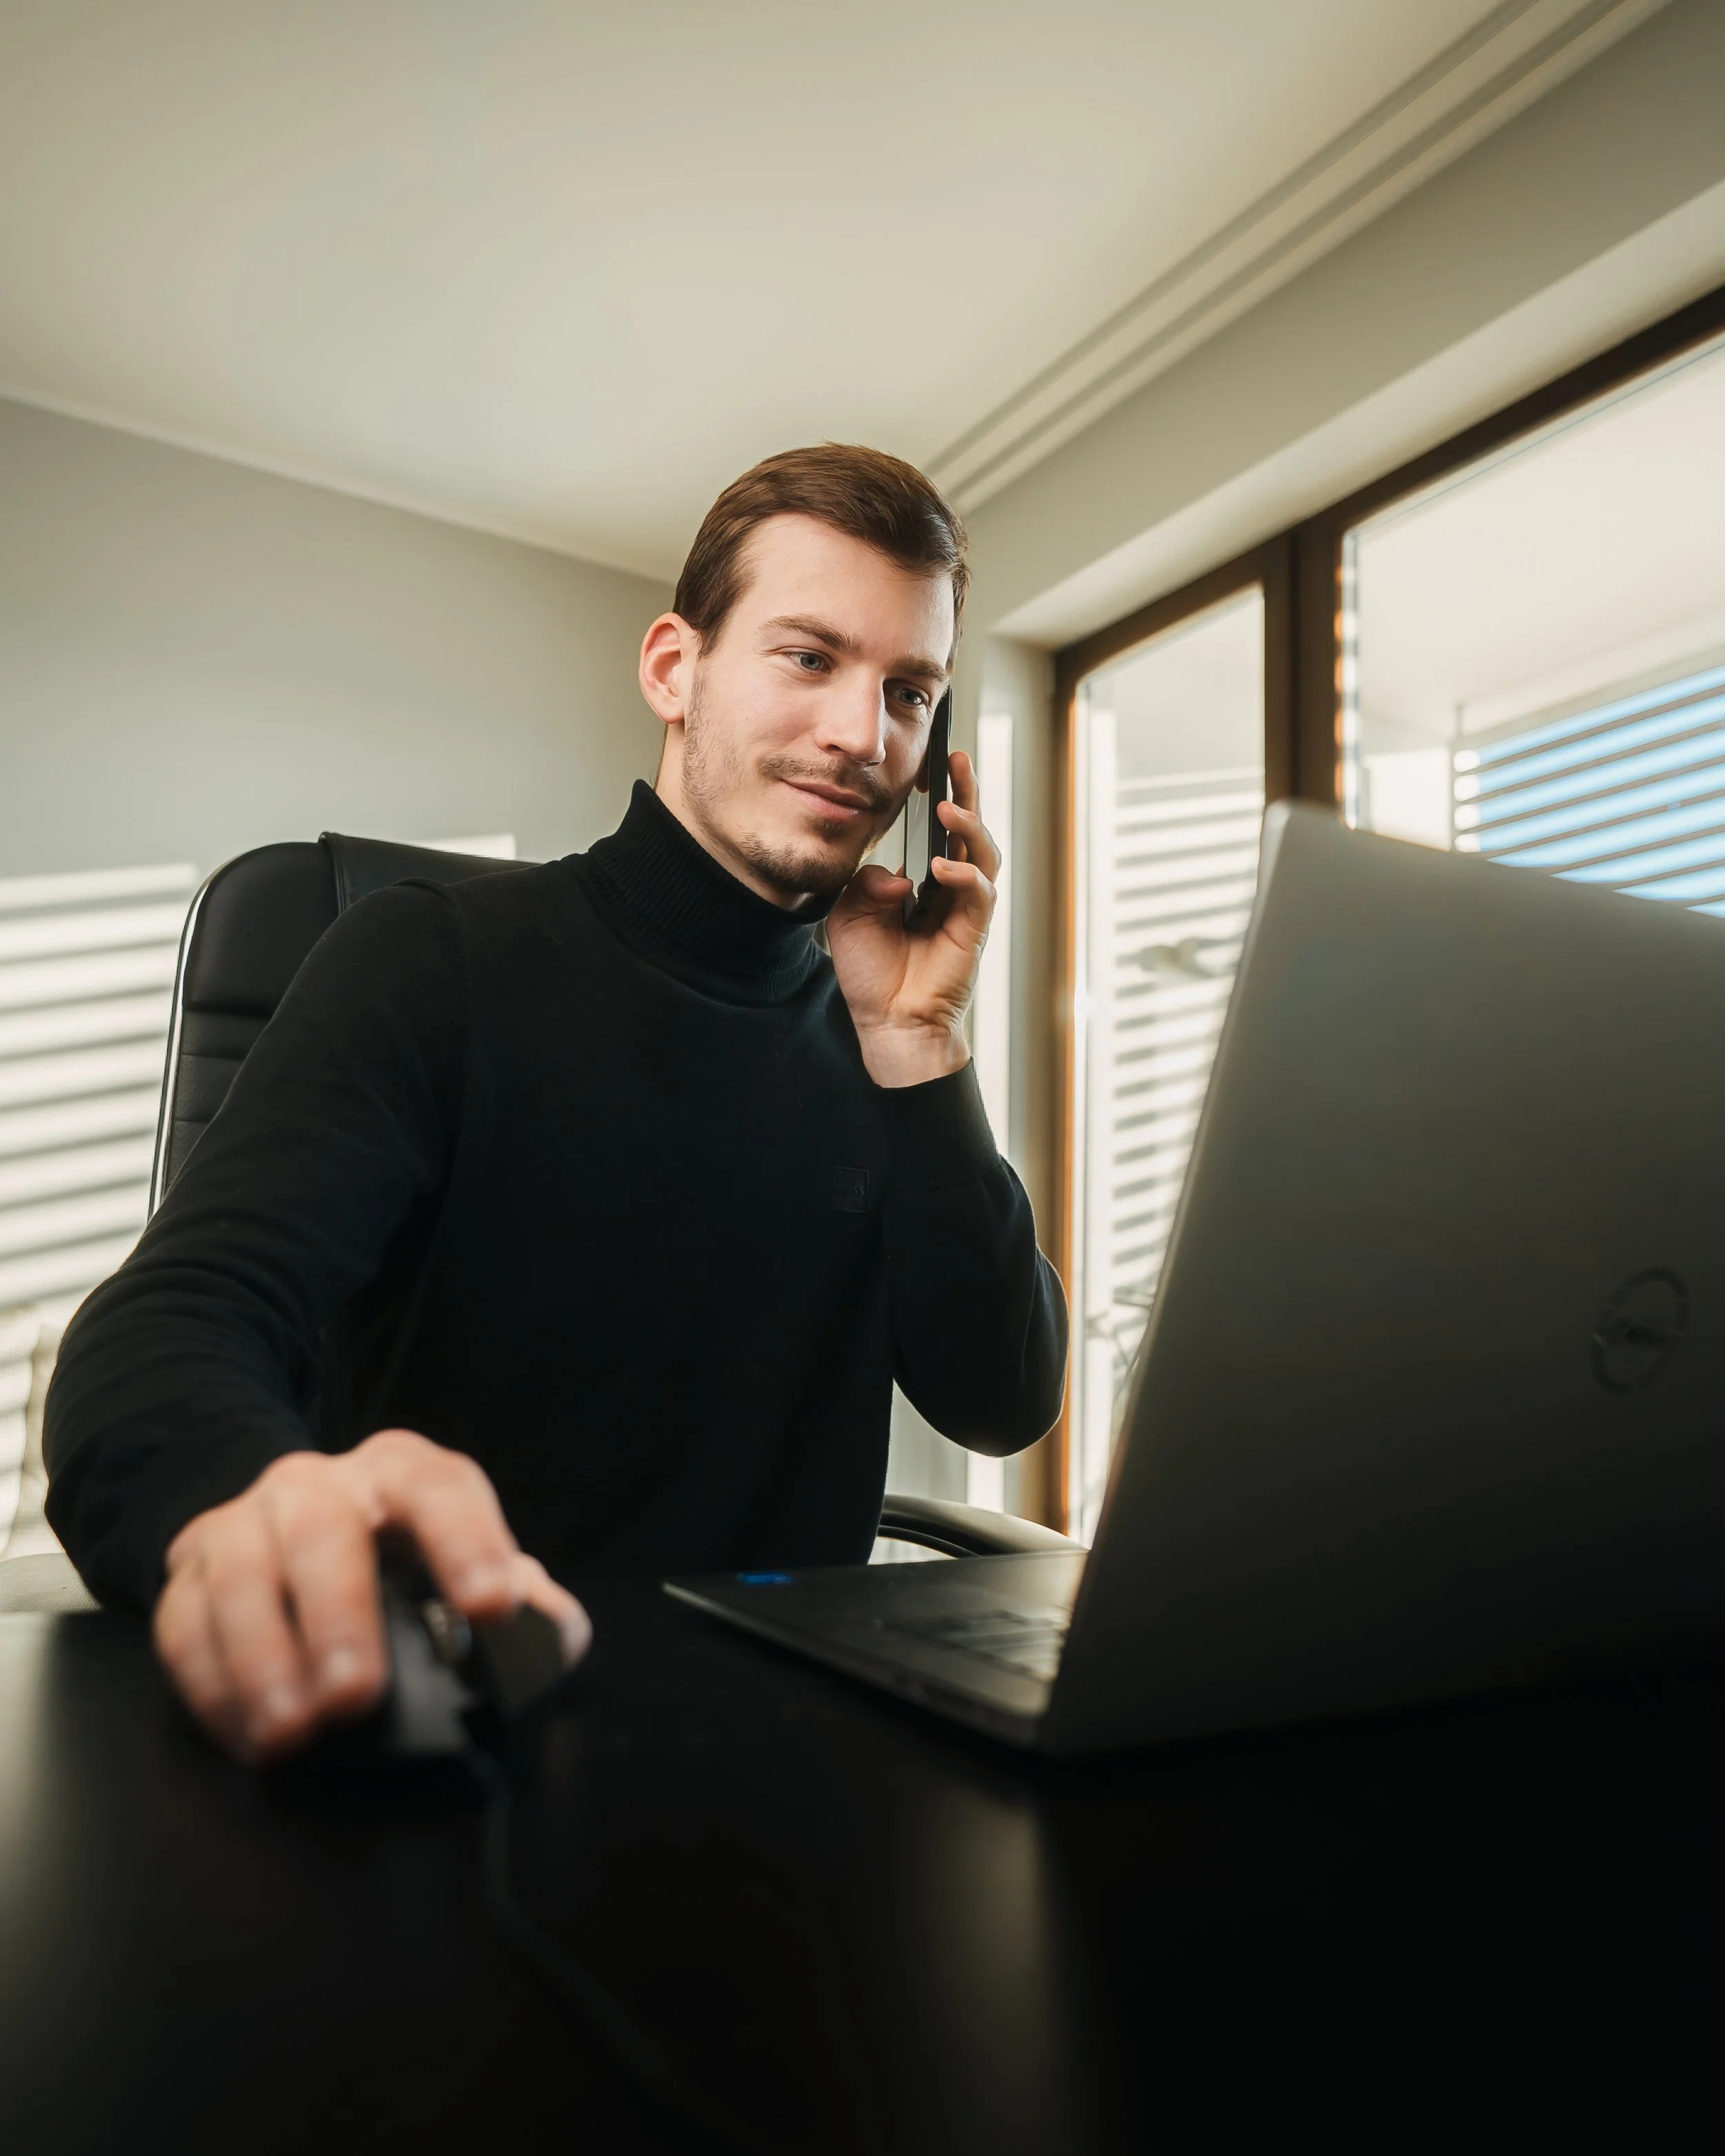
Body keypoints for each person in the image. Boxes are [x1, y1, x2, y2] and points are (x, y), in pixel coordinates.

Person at [44, 444, 1068, 1762]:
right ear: (673, 668)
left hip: (780, 1753)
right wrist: (260, 1510)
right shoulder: (430, 959)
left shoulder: (883, 1045)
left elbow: (1001, 1395)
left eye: (909, 690)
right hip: (460, 1732)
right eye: (809, 658)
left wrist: (918, 1038)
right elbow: (162, 1331)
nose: (860, 735)